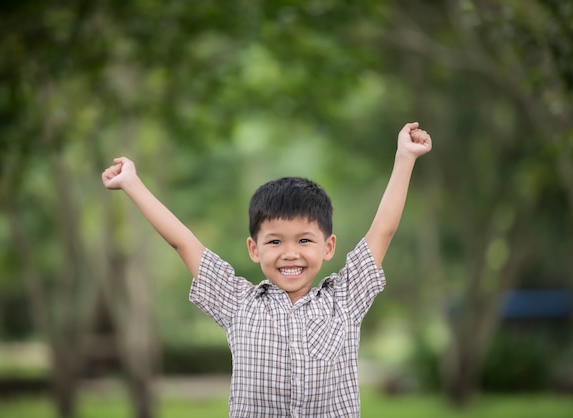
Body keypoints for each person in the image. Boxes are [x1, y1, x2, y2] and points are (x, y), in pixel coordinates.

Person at [102, 122, 432, 417]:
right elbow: (184, 243)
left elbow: (382, 231)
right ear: (254, 249)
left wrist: (405, 157)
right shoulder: (237, 303)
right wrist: (132, 184)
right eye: (275, 242)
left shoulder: (345, 300)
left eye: (304, 240)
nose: (290, 254)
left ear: (328, 247)